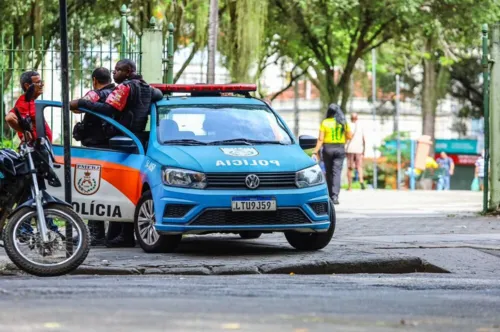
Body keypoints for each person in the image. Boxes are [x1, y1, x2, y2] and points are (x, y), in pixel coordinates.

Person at [69, 59, 162, 248]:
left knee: (113, 190)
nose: (114, 73)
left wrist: (83, 103)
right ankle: (119, 235)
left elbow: (109, 109)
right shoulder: (145, 87)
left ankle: (115, 236)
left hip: (120, 142)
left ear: (127, 71)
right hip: (135, 142)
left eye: (118, 70)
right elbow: (159, 94)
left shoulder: (125, 87)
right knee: (126, 190)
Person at [4, 71, 58, 234]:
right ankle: (29, 228)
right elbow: (9, 118)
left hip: (38, 152)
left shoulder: (30, 102)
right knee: (35, 191)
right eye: (38, 82)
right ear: (28, 86)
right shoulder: (25, 101)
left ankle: (32, 228)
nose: (42, 84)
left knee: (35, 192)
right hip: (33, 152)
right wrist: (26, 134)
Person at [72, 67, 116, 246]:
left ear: (94, 80)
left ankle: (95, 232)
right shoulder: (115, 93)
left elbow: (75, 107)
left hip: (94, 149)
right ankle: (111, 233)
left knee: (91, 190)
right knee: (111, 190)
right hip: (113, 147)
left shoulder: (95, 94)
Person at [311, 104, 352, 205]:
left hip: (328, 149)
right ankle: (335, 196)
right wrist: (344, 142)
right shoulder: (343, 122)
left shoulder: (325, 123)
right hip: (340, 148)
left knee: (328, 172)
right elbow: (349, 135)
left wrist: (315, 151)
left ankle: (329, 195)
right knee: (336, 172)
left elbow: (320, 139)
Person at [345, 112, 366, 190]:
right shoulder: (361, 126)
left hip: (350, 149)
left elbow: (346, 138)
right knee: (359, 167)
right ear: (357, 118)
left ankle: (350, 187)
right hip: (359, 149)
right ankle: (361, 180)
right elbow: (364, 140)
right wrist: (364, 150)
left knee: (350, 168)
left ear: (351, 118)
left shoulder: (348, 125)